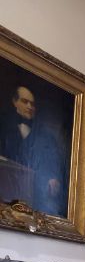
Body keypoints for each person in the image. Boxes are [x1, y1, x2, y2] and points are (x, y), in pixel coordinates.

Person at [0, 85, 68, 216]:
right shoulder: (3, 124)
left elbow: (52, 163)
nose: (30, 107)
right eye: (25, 102)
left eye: (32, 104)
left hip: (35, 196)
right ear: (15, 102)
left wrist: (53, 178)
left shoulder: (45, 135)